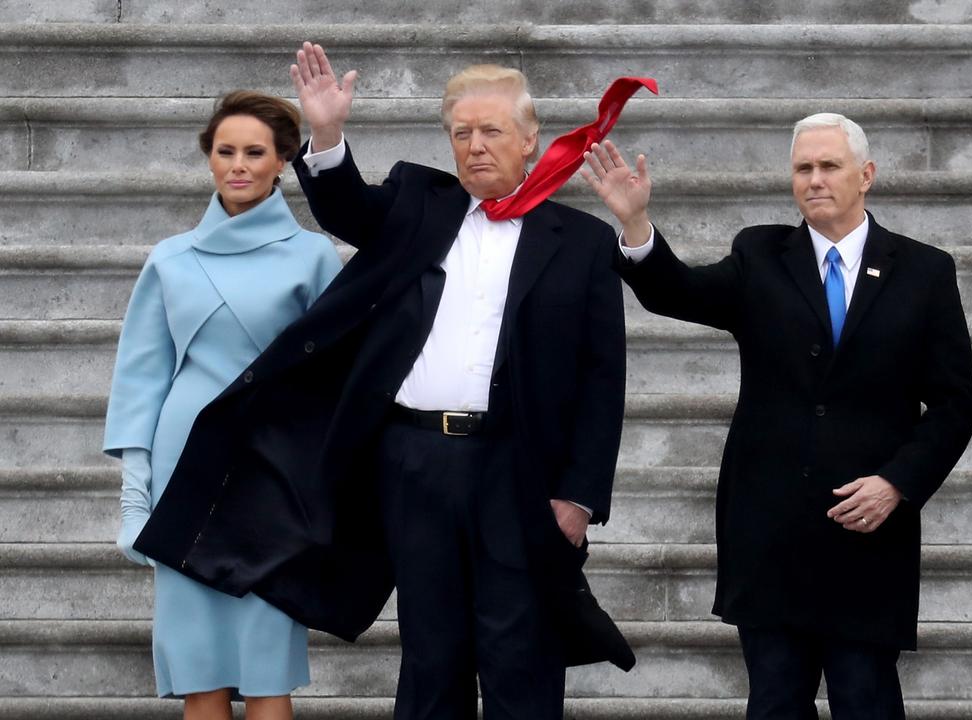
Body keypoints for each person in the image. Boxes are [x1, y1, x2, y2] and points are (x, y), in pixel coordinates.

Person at [133, 43, 633, 720]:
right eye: (463, 133)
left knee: (521, 655)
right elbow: (347, 210)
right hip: (414, 464)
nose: (476, 146)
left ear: (530, 138)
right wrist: (329, 132)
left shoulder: (582, 240)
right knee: (432, 657)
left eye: (492, 132)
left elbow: (603, 380)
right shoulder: (419, 205)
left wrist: (579, 495)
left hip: (518, 469)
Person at [582, 114, 972, 719]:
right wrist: (635, 223)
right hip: (770, 535)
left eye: (829, 166)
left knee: (867, 701)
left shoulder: (925, 271)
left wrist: (897, 483)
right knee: (774, 702)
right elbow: (679, 292)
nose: (814, 179)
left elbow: (954, 405)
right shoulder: (761, 254)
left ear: (866, 175)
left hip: (866, 536)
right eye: (803, 169)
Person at [103, 90, 341, 719]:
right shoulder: (170, 258)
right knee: (199, 671)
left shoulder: (314, 256)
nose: (238, 164)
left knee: (267, 673)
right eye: (225, 150)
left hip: (272, 475)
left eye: (254, 152)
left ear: (282, 160)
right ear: (209, 157)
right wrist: (135, 497)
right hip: (186, 472)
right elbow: (140, 380)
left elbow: (335, 379)